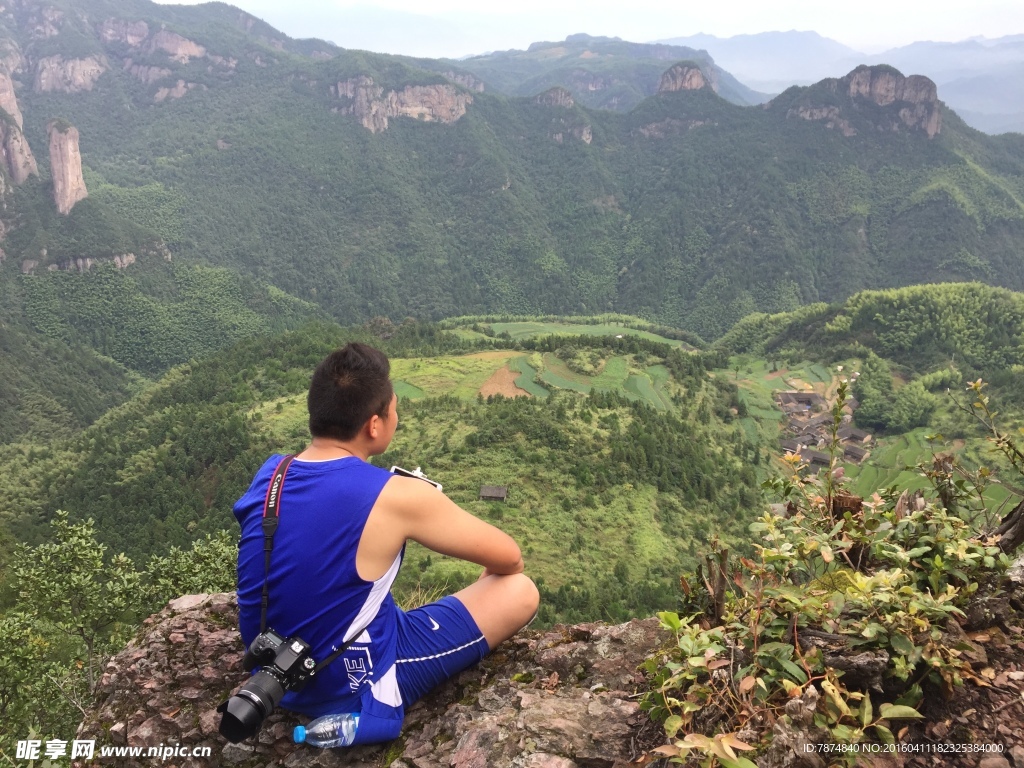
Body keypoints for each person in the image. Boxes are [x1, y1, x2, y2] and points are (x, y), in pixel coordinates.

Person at [233, 342, 539, 744]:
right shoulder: (395, 494)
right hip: (350, 679)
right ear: (374, 425)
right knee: (520, 590)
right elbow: (509, 557)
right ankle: (375, 702)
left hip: (273, 670)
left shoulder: (271, 474)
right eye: (394, 407)